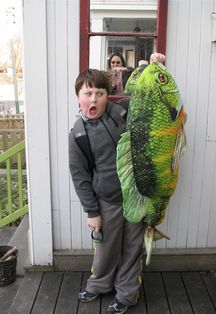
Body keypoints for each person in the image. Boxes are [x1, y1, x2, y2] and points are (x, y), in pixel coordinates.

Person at [69, 52, 165, 314]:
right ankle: (99, 284)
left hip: (136, 197)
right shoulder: (79, 133)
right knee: (105, 249)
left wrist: (151, 65)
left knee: (133, 249)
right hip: (106, 201)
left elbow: (144, 93)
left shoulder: (121, 111)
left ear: (107, 95)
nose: (94, 99)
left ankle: (126, 294)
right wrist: (92, 212)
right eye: (88, 93)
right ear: (78, 97)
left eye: (99, 93)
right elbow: (80, 176)